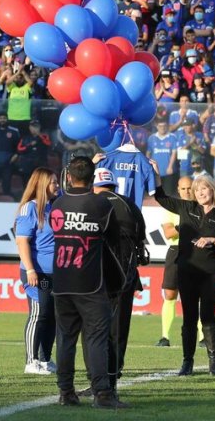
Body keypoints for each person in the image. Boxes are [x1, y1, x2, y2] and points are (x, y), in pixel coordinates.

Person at [51, 155, 127, 410]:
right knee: (95, 338)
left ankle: (66, 392)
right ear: (93, 177)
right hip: (90, 282)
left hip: (61, 280)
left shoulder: (59, 203)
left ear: (69, 176)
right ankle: (102, 394)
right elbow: (113, 239)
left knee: (65, 338)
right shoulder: (100, 204)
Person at [153, 171, 215, 376]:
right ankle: (187, 362)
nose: (199, 192)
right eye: (196, 189)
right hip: (187, 270)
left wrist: (214, 240)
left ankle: (214, 362)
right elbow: (160, 197)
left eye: (204, 188)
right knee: (189, 317)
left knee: (207, 316)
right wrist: (156, 175)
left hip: (211, 272)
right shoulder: (186, 207)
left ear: (212, 190)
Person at [92, 168, 148, 391]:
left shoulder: (92, 203)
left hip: (98, 272)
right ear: (114, 185)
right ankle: (114, 371)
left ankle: (99, 376)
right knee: (119, 324)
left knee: (95, 325)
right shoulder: (129, 205)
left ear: (95, 186)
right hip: (127, 271)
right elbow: (141, 240)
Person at [14, 167, 60, 376]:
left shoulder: (54, 207)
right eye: (53, 182)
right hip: (37, 273)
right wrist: (31, 269)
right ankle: (31, 360)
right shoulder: (28, 209)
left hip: (55, 273)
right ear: (42, 184)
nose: (57, 185)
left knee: (52, 316)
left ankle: (45, 359)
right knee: (38, 313)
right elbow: (22, 241)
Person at [156, 175, 193, 347]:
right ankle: (165, 336)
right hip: (176, 251)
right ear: (178, 189)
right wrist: (186, 225)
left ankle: (201, 337)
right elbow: (169, 233)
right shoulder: (171, 208)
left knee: (196, 295)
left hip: (195, 251)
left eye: (189, 188)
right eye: (183, 188)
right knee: (170, 294)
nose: (187, 191)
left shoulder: (201, 207)